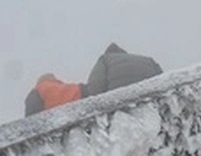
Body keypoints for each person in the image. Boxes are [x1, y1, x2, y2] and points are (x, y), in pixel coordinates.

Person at [25, 43, 162, 116]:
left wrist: (99, 104)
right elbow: (161, 79)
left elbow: (96, 86)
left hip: (101, 101)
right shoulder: (147, 60)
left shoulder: (38, 91)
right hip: (145, 101)